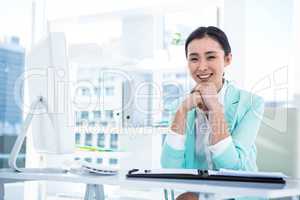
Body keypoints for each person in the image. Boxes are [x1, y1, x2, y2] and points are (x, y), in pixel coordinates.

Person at [160, 26, 264, 200]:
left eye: (211, 57)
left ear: (228, 59)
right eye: (194, 59)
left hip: (238, 195)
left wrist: (215, 108)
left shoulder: (251, 104)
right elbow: (169, 167)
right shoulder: (180, 106)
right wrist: (182, 112)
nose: (201, 67)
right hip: (196, 195)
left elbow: (232, 168)